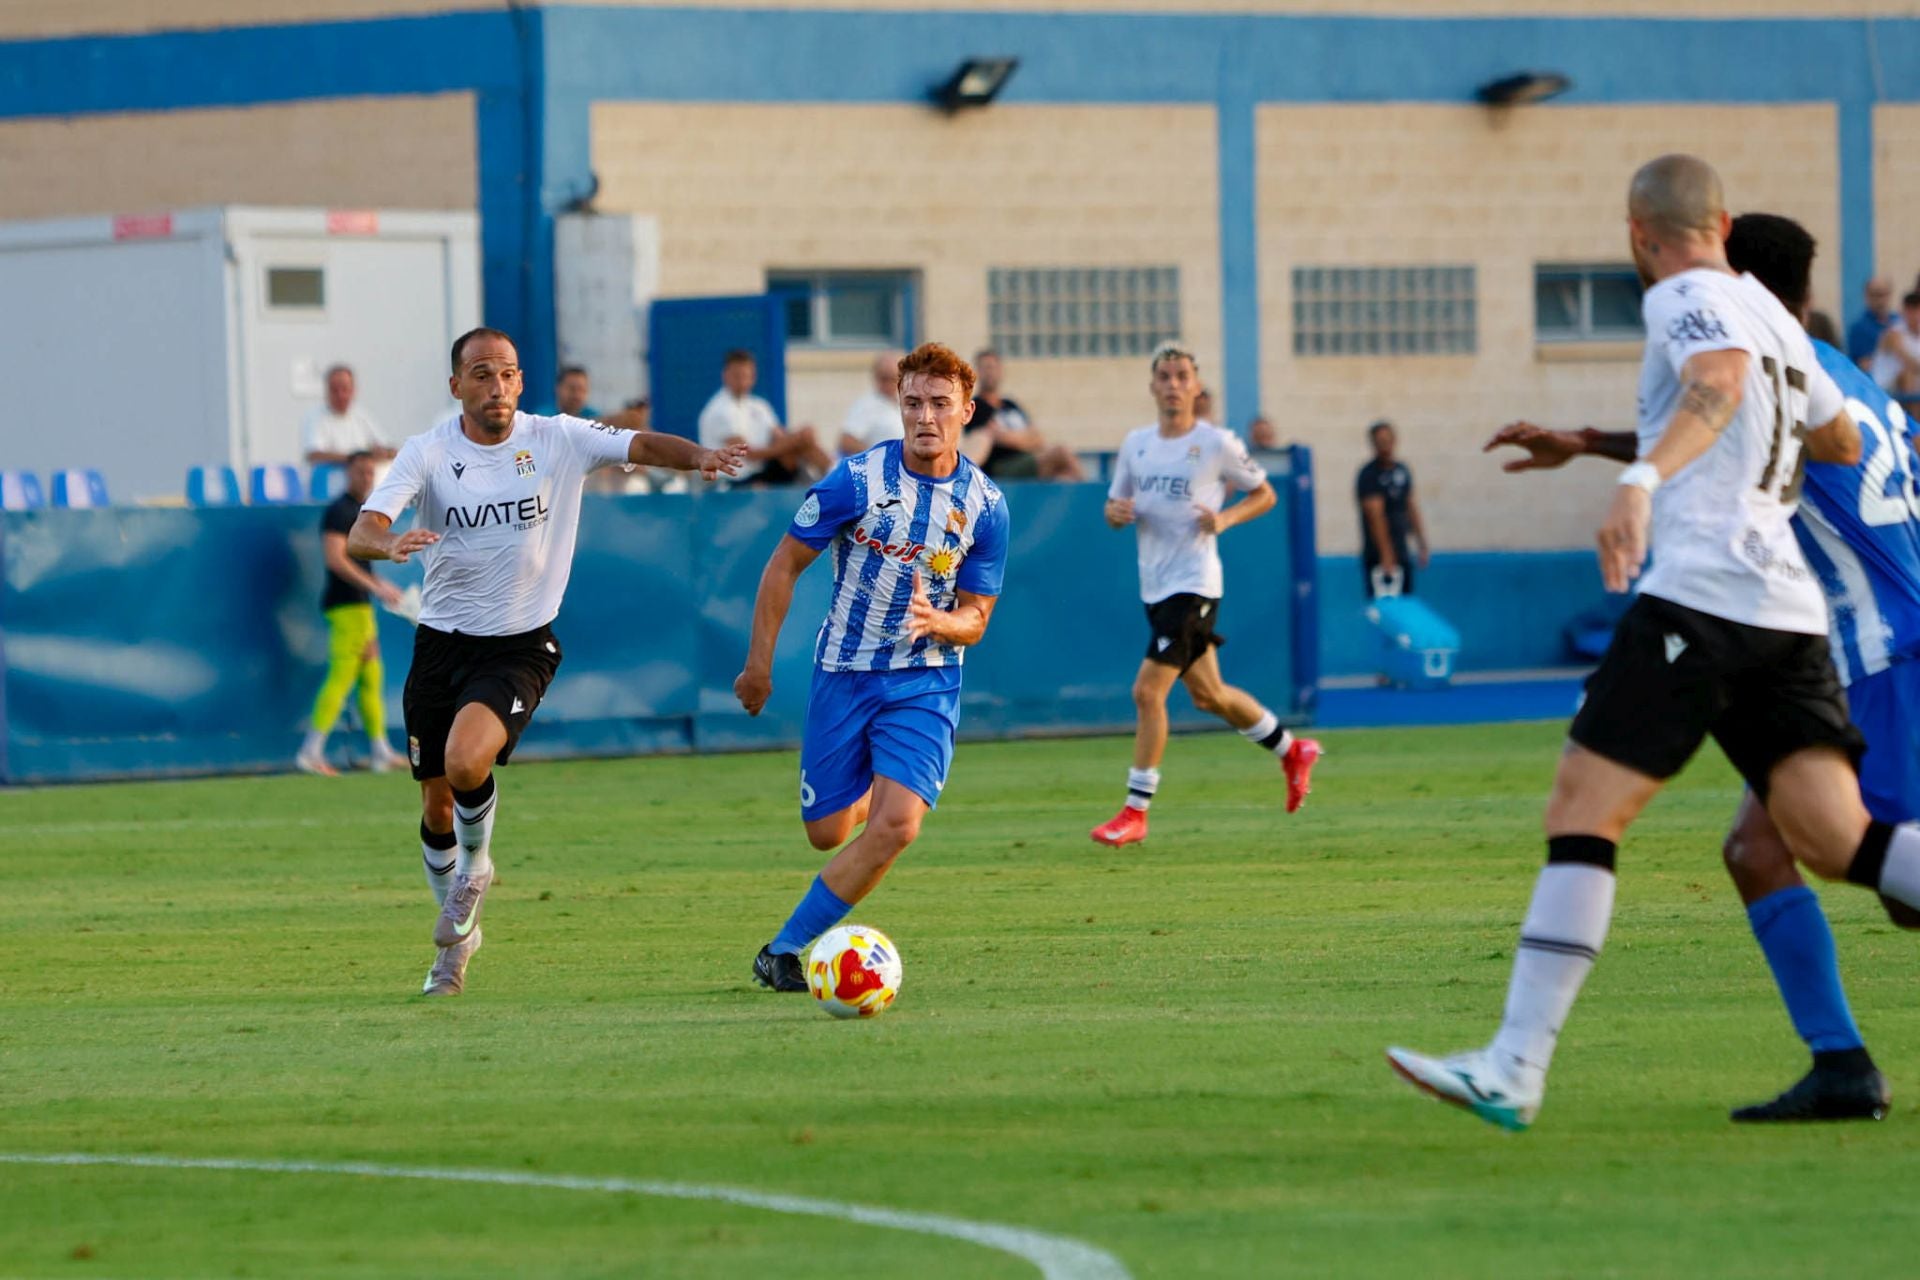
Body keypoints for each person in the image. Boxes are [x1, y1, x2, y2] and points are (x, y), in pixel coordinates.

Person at [1379, 155, 1920, 1132]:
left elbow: (1716, 382)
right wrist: (1615, 445)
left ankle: (1515, 1064)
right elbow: (1836, 440)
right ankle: (1836, 1060)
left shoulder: (1683, 298)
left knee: (1583, 810)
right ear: (1723, 221)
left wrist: (1641, 481)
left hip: (1704, 599)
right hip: (1790, 615)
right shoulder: (1777, 320)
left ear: (1639, 234)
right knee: (1839, 840)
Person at [348, 327, 745, 997]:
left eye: (506, 373)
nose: (496, 386)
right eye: (481, 374)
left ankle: (477, 869)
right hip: (440, 643)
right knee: (436, 805)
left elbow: (640, 444)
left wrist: (699, 456)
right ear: (456, 386)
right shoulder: (429, 451)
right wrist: (385, 546)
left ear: (521, 381)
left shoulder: (557, 437)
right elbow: (364, 529)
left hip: (520, 644)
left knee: (466, 761)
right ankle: (458, 945)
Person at [731, 343, 1009, 992]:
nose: (925, 416)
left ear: (967, 411)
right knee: (826, 831)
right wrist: (758, 666)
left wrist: (942, 623)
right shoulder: (855, 481)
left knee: (898, 826)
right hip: (845, 672)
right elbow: (784, 565)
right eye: (913, 403)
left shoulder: (986, 504)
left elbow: (977, 618)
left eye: (940, 403)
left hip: (926, 680)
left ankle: (784, 949)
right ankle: (871, 790)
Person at [1088, 343, 1321, 849]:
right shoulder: (1136, 444)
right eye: (1165, 376)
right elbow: (1113, 507)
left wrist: (1226, 518)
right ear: (1153, 386)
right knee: (1208, 695)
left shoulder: (1216, 443)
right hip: (1155, 584)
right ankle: (1291, 749)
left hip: (1194, 584)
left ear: (1196, 386)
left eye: (1182, 376)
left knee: (1147, 693)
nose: (1173, 384)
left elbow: (1264, 493)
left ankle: (1135, 811)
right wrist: (1114, 514)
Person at [295, 450, 409, 777]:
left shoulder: (364, 511)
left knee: (371, 676)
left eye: (370, 472)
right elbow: (336, 559)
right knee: (342, 675)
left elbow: (359, 562)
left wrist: (378, 584)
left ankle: (380, 751)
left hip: (360, 606)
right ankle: (311, 751)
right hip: (346, 606)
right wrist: (375, 586)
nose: (366, 478)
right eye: (360, 472)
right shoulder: (340, 511)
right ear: (348, 473)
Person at [697, 349, 831, 485]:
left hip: (760, 472)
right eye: (737, 376)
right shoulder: (719, 410)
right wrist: (795, 439)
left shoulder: (759, 406)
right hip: (733, 481)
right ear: (725, 375)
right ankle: (830, 481)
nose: (742, 381)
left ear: (753, 377)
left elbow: (779, 436)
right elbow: (749, 454)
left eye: (745, 376)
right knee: (798, 443)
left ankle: (832, 477)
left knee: (803, 445)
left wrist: (798, 439)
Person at [962, 348, 1085, 481]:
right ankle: (1090, 492)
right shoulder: (976, 406)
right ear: (977, 372)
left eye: (994, 367)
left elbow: (1038, 439)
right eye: (986, 368)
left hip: (1029, 459)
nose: (991, 372)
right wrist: (1024, 439)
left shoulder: (1010, 405)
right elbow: (985, 438)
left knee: (1063, 474)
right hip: (1002, 466)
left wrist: (1008, 437)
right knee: (1061, 452)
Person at [1356, 420, 1428, 597]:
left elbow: (1410, 506)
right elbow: (1375, 516)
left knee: (1406, 599)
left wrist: (1421, 542)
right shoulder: (1369, 475)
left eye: (1388, 440)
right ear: (1373, 444)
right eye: (1380, 442)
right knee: (1383, 603)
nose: (1385, 446)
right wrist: (1386, 554)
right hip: (1378, 555)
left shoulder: (1402, 470)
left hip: (1402, 550)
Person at [302, 364, 395, 465]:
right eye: (335, 390)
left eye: (344, 389)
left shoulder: (362, 416)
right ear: (327, 391)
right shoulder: (314, 417)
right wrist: (354, 459)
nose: (340, 395)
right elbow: (314, 455)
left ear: (353, 390)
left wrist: (383, 453)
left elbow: (388, 448)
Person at [837, 351, 903, 456]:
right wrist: (878, 456)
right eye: (885, 378)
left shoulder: (904, 402)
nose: (890, 383)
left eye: (894, 378)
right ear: (876, 377)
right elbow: (847, 441)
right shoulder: (867, 404)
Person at [1870, 291, 1920, 397]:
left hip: (1912, 384)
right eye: (1911, 310)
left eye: (1917, 310)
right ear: (1904, 311)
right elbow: (1909, 362)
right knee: (1908, 375)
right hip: (1886, 388)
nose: (1915, 315)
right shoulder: (1893, 333)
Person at [1846, 277, 1894, 370]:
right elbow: (1863, 365)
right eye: (1875, 295)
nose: (1880, 300)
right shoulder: (1859, 328)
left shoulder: (1898, 322)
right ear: (1866, 296)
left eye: (1883, 294)